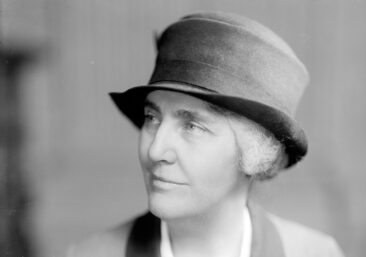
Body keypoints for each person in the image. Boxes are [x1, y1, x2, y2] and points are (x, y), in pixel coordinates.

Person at [67, 11, 345, 257]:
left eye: (192, 126)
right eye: (152, 118)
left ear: (253, 153)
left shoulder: (315, 253)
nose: (155, 151)